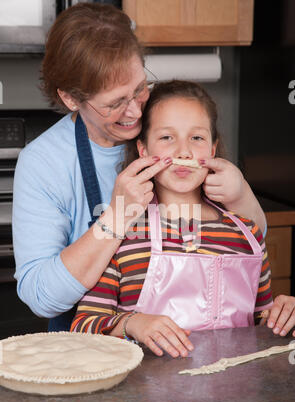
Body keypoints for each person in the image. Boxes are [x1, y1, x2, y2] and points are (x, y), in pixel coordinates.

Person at [13, 3, 268, 333]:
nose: (135, 111)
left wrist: (240, 193)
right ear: (71, 99)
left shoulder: (169, 124)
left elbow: (249, 243)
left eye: (139, 88)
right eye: (114, 103)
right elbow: (42, 298)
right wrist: (117, 217)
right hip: (93, 351)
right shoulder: (44, 163)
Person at [70, 80, 295, 357]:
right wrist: (132, 323)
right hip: (142, 398)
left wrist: (282, 315)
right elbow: (82, 327)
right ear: (143, 150)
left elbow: (260, 324)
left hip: (235, 395)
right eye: (167, 137)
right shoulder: (122, 233)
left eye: (196, 138)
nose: (183, 151)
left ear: (213, 149)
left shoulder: (247, 234)